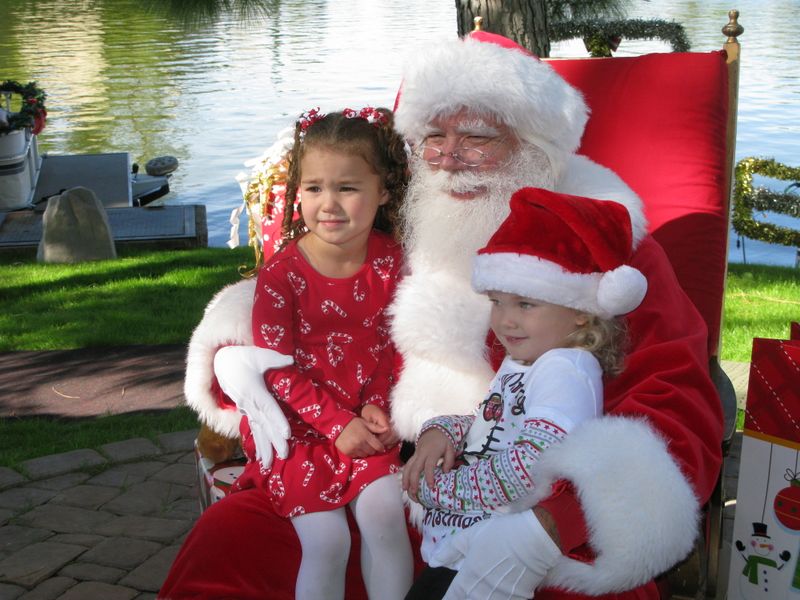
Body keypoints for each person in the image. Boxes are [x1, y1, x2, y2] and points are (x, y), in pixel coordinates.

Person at [163, 30, 723, 600]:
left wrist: (550, 527)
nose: (450, 157)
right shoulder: (413, 233)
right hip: (383, 483)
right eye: (433, 136)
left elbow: (674, 409)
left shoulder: (606, 254)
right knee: (231, 539)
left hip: (533, 509)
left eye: (477, 137)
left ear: (535, 147)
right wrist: (238, 350)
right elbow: (318, 302)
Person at [402, 186, 648, 599]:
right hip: (472, 542)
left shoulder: (566, 370)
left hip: (496, 554)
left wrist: (439, 490)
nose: (505, 321)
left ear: (581, 311)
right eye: (497, 302)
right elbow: (497, 425)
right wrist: (442, 428)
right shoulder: (529, 360)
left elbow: (530, 464)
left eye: (525, 304)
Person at [222, 106, 413, 600]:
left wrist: (381, 408)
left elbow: (397, 345)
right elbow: (275, 371)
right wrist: (336, 424)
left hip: (369, 421)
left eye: (347, 188)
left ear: (384, 192)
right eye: (313, 188)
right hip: (299, 426)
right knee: (327, 541)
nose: (328, 204)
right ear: (298, 192)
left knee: (386, 515)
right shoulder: (282, 275)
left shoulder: (393, 263)